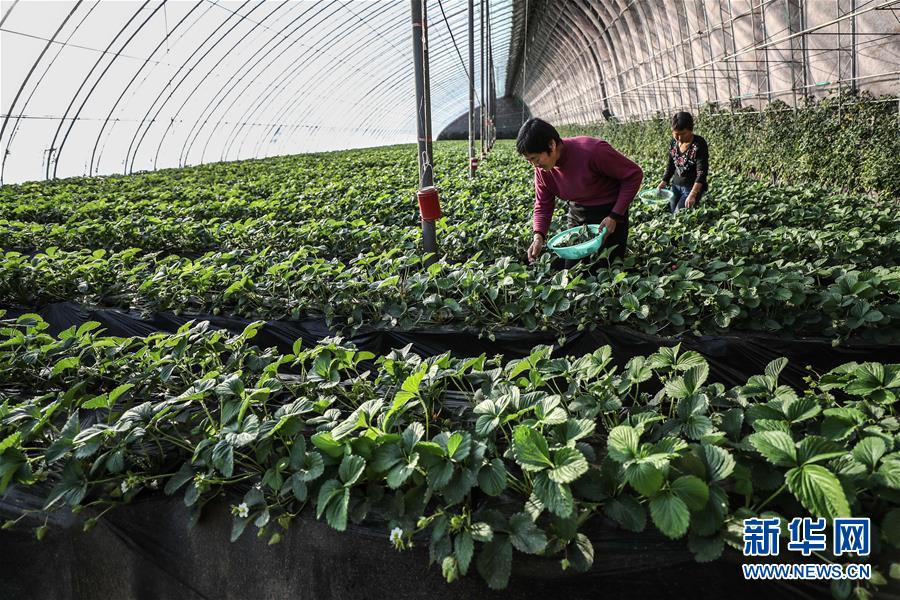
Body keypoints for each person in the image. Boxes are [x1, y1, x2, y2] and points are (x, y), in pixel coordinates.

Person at [517, 118, 643, 267]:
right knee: (573, 270)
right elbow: (543, 204)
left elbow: (633, 175)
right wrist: (538, 236)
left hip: (610, 214)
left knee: (607, 268)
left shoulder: (593, 151)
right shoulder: (542, 171)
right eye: (529, 160)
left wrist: (615, 216)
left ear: (551, 145)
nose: (534, 165)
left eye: (535, 158)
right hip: (578, 215)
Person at [657, 112, 709, 212]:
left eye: (683, 134)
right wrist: (664, 181)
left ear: (691, 130)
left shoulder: (699, 144)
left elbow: (702, 172)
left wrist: (693, 194)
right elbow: (671, 164)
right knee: (672, 212)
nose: (679, 138)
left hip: (691, 187)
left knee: (679, 215)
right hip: (675, 186)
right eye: (676, 134)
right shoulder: (673, 143)